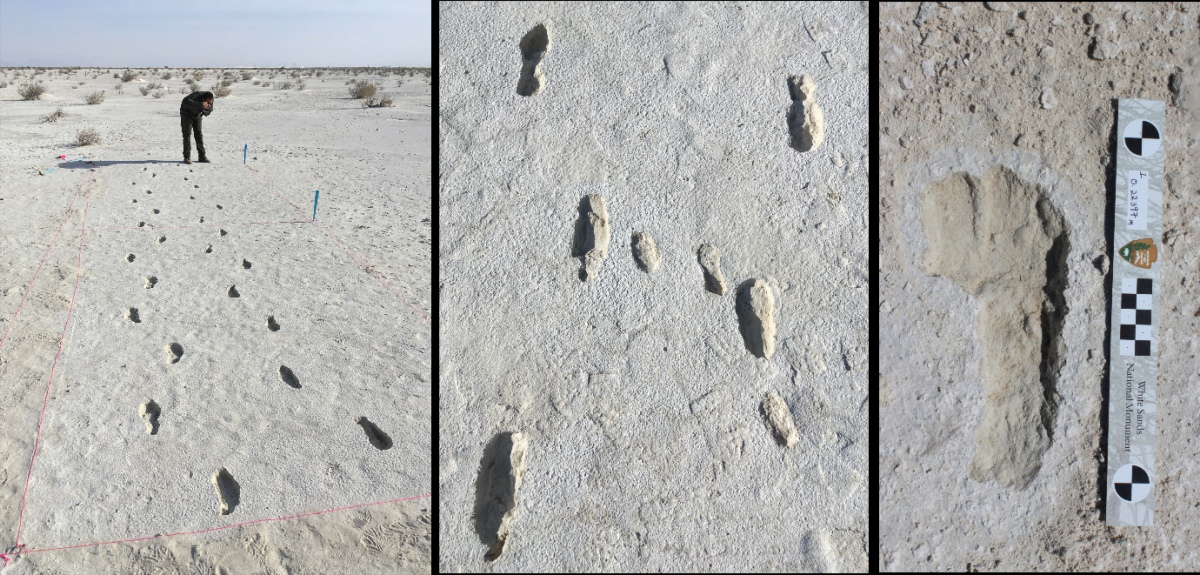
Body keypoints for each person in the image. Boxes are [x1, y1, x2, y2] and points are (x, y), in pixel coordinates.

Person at [180, 91, 214, 164]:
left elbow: (210, 110)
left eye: (211, 101)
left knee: (198, 134)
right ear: (204, 98)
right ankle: (187, 157)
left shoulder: (210, 100)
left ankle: (202, 156)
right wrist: (201, 105)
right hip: (186, 114)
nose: (210, 103)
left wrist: (204, 111)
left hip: (197, 115)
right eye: (208, 101)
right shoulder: (195, 96)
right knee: (187, 135)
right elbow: (185, 102)